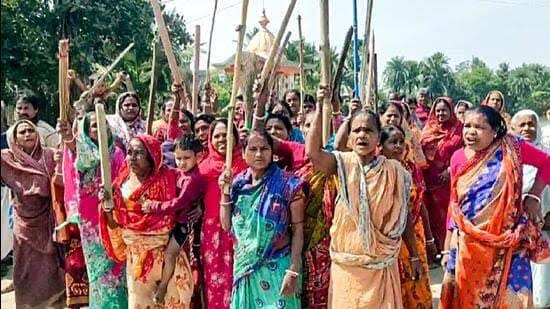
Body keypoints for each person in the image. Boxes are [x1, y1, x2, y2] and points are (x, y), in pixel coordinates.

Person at [306, 86, 418, 308]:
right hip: (347, 267)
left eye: (368, 131)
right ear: (349, 137)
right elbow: (313, 153)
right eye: (356, 131)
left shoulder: (396, 172)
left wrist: (414, 256)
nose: (362, 135)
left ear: (378, 137)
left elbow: (403, 220)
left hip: (382, 266)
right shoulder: (342, 164)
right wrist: (320, 107)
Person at [440, 106, 550, 308]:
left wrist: (534, 195)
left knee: (514, 300)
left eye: (479, 127)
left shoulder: (514, 148)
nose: (470, 132)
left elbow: (547, 163)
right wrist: (447, 248)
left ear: (495, 131)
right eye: (467, 126)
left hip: (509, 245)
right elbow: (454, 204)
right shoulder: (457, 158)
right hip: (469, 246)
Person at [99, 135, 196, 307]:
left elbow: (190, 194)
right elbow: (115, 225)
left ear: (152, 157)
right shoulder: (121, 186)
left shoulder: (171, 178)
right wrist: (107, 208)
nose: (132, 158)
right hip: (137, 262)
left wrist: (199, 206)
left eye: (138, 153)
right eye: (129, 153)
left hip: (168, 258)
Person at [219, 130, 307, 308]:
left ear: (272, 153)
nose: (259, 154)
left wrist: (293, 270)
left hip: (278, 267)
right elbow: (226, 225)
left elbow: (298, 230)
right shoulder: (237, 185)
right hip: (246, 271)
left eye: (264, 148)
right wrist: (224, 192)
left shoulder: (288, 185)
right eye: (252, 149)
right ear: (243, 154)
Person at [58, 112, 128, 307]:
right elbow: (85, 158)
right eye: (95, 126)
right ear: (87, 131)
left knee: (118, 265)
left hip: (114, 216)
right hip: (91, 220)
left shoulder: (118, 153)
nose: (100, 129)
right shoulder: (79, 151)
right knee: (98, 273)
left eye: (103, 124)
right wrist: (69, 138)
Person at [1, 120, 65, 307]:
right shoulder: (7, 160)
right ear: (15, 138)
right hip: (24, 226)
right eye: (23, 132)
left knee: (51, 270)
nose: (28, 134)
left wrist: (62, 161)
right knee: (25, 272)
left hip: (48, 222)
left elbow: (63, 180)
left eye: (31, 130)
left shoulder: (50, 155)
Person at [144, 136, 205, 304]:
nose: (182, 162)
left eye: (186, 158)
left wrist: (154, 206)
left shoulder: (192, 180)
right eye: (178, 158)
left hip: (183, 224)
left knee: (170, 254)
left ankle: (162, 287)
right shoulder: (182, 173)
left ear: (197, 157)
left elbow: (178, 203)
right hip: (173, 221)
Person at [379, 125, 434, 308]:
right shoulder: (376, 172)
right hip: (388, 240)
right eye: (392, 142)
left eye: (401, 142)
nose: (398, 146)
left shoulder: (411, 170)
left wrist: (429, 239)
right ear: (381, 146)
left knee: (416, 283)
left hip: (413, 236)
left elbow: (420, 204)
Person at [198, 118, 248, 308]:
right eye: (216, 136)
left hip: (240, 231)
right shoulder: (203, 168)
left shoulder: (247, 165)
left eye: (225, 135)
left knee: (238, 279)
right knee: (215, 281)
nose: (221, 140)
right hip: (213, 234)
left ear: (235, 137)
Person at [511, 109, 550, 308]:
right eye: (522, 125)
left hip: (543, 225)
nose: (527, 128)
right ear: (513, 128)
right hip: (514, 230)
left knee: (543, 286)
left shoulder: (546, 155)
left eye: (531, 124)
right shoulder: (507, 156)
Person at [421, 97, 463, 250]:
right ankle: (433, 250)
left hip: (449, 180)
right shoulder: (428, 129)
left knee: (447, 215)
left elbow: (466, 152)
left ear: (451, 111)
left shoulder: (460, 129)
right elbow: (420, 151)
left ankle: (448, 248)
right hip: (428, 179)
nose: (440, 113)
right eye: (438, 110)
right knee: (429, 214)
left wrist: (450, 170)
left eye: (444, 110)